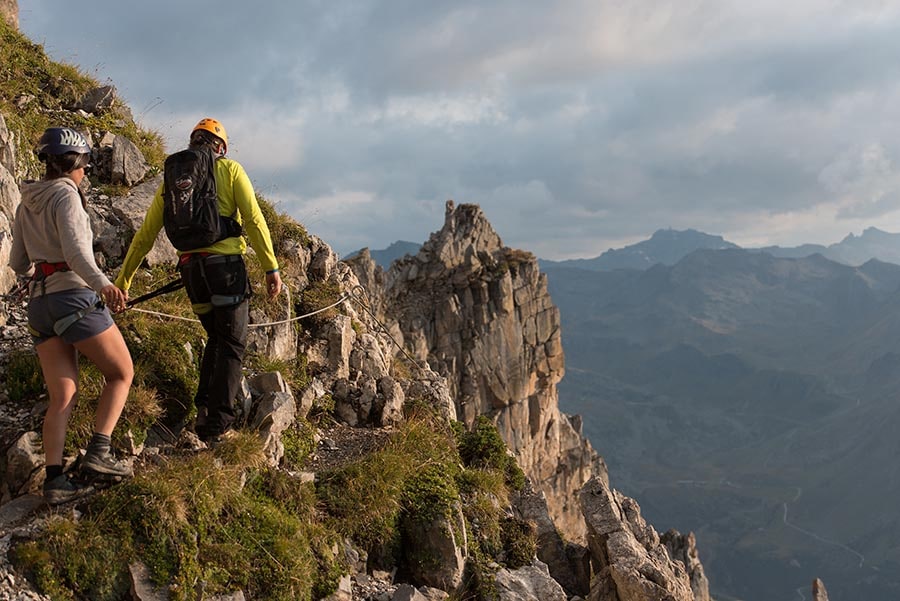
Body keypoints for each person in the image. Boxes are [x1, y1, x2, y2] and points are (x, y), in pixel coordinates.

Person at [116, 118, 282, 443]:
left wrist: (123, 281)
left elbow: (146, 235)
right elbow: (253, 218)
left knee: (217, 339)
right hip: (226, 269)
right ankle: (219, 425)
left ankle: (204, 410)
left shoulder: (175, 180)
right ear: (220, 147)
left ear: (193, 142)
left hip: (192, 272)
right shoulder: (230, 170)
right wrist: (270, 266)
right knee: (232, 344)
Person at [9, 126, 135, 505]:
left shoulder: (25, 201)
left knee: (62, 393)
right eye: (86, 165)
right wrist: (104, 285)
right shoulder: (66, 196)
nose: (86, 173)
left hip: (40, 305)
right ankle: (99, 453)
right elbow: (77, 253)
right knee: (121, 372)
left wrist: (41, 273)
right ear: (75, 162)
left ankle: (54, 480)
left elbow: (18, 262)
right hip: (73, 298)